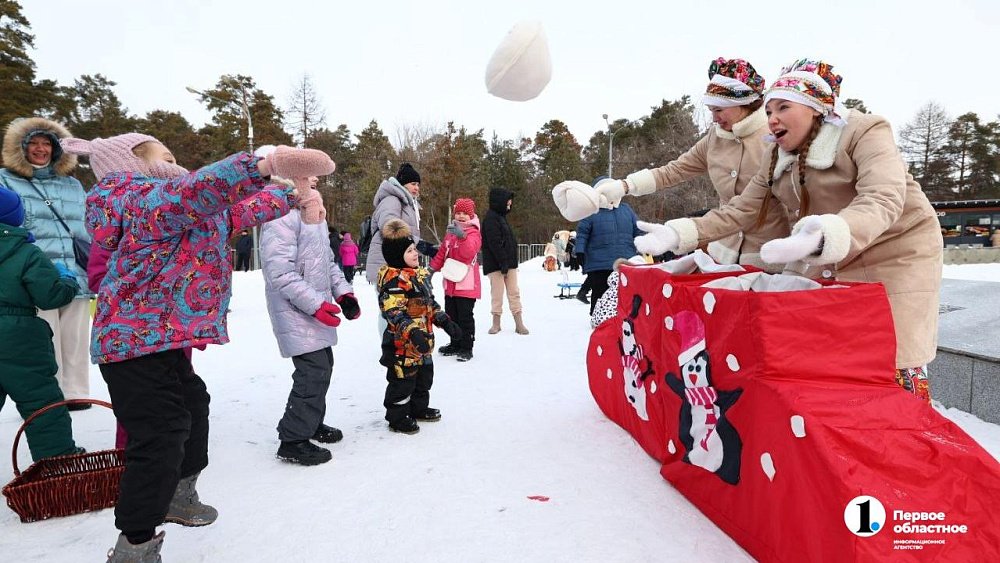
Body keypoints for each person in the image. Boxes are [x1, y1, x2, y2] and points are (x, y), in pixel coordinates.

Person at [63, 133, 334, 561]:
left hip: (157, 336)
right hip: (130, 342)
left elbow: (232, 212)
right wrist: (265, 165)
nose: (176, 165)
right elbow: (198, 191)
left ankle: (178, 493)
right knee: (162, 433)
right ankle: (135, 543)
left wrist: (289, 195)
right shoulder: (137, 200)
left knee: (193, 405)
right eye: (165, 157)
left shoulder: (174, 206)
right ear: (132, 164)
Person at [632, 59, 943, 402]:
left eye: (783, 107)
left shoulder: (865, 131)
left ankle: (910, 420)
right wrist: (681, 233)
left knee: (891, 353)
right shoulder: (775, 153)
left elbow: (883, 198)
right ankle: (844, 422)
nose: (772, 118)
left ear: (816, 107)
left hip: (895, 248)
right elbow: (742, 209)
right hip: (824, 247)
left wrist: (827, 234)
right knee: (831, 351)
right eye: (768, 110)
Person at [585, 58, 789, 271]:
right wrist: (625, 186)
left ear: (743, 102)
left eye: (719, 110)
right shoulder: (714, 139)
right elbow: (675, 170)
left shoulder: (775, 138)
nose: (714, 118)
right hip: (723, 255)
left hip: (769, 256)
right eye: (710, 110)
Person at [258, 165, 361, 466]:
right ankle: (292, 439)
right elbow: (280, 273)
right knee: (312, 371)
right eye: (309, 174)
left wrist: (344, 293)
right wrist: (315, 304)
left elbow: (327, 262)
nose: (315, 179)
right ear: (291, 178)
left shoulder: (312, 213)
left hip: (315, 308)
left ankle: (311, 422)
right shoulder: (280, 216)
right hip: (294, 309)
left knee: (323, 366)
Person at [1, 117, 94, 409]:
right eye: (34, 143)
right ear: (21, 147)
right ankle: (50, 394)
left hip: (75, 269)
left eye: (47, 143)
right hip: (33, 271)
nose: (41, 149)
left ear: (56, 149)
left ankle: (76, 392)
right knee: (44, 336)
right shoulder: (6, 180)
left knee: (76, 336)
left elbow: (87, 226)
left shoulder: (72, 185)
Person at [0, 187, 83, 461]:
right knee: (41, 403)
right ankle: (57, 464)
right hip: (19, 339)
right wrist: (67, 280)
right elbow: (51, 296)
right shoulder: (26, 253)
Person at [376, 219, 462, 434]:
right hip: (402, 346)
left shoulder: (418, 276)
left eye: (415, 249)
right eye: (410, 251)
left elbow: (429, 304)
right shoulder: (394, 281)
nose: (415, 253)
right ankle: (397, 417)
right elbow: (394, 313)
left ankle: (418, 408)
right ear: (398, 255)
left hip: (423, 342)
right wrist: (413, 332)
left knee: (424, 377)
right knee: (403, 381)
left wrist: (444, 320)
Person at [575, 177, 643, 315]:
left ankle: (623, 318)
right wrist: (580, 251)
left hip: (625, 260)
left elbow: (638, 230)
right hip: (599, 263)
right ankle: (598, 318)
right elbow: (582, 233)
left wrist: (646, 246)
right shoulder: (591, 211)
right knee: (600, 292)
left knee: (625, 292)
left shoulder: (626, 210)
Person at [429, 198, 482, 361]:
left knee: (465, 317)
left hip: (466, 284)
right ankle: (455, 343)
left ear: (471, 215)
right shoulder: (450, 232)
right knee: (451, 315)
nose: (461, 216)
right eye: (458, 213)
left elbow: (468, 252)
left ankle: (466, 347)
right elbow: (442, 254)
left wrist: (462, 237)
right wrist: (431, 269)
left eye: (465, 213)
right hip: (451, 282)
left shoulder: (473, 232)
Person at [481, 187, 528, 335]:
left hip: (509, 263)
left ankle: (519, 323)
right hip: (496, 265)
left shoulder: (501, 217)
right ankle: (496, 323)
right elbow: (494, 243)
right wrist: (502, 262)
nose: (510, 204)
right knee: (497, 294)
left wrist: (509, 261)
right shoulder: (491, 219)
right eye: (508, 201)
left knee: (514, 292)